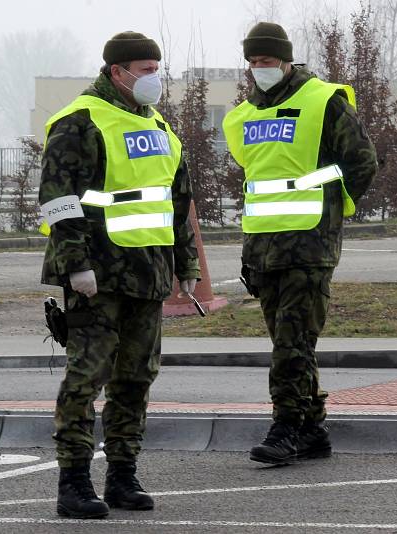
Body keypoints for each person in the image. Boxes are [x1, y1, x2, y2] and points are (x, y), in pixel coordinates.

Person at [38, 31, 200, 518]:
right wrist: (75, 265)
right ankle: (74, 483)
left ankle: (122, 478)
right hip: (98, 275)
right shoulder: (80, 121)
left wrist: (186, 263)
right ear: (118, 73)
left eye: (156, 68)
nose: (155, 78)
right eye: (146, 70)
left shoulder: (159, 126)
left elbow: (177, 202)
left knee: (135, 379)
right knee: (87, 378)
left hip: (148, 273)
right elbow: (59, 200)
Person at [222, 22, 377, 465]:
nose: (259, 69)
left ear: (286, 60)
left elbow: (362, 161)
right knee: (289, 342)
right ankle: (313, 428)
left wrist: (335, 210)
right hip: (263, 247)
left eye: (266, 61)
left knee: (292, 342)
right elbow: (258, 179)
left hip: (310, 244)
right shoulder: (243, 116)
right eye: (252, 62)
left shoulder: (323, 102)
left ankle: (286, 428)